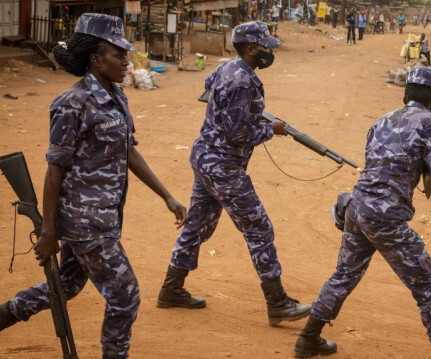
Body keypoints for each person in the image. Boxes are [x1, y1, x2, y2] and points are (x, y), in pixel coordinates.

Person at [0, 13, 187, 359]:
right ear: (96, 60)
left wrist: (167, 195)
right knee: (125, 295)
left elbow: (127, 150)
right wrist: (48, 232)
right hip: (84, 223)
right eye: (119, 55)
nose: (126, 61)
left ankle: (5, 315)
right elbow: (54, 169)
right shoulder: (72, 103)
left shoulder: (116, 95)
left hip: (104, 217)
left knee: (66, 286)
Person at [292, 67, 431, 359]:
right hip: (385, 217)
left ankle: (308, 338)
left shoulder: (381, 120)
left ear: (406, 94)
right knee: (428, 285)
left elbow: (375, 165)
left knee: (343, 276)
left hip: (356, 208)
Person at [156, 21, 311, 327]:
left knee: (198, 224)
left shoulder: (228, 69)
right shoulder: (242, 80)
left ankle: (171, 288)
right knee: (258, 227)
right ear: (252, 50)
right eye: (266, 47)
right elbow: (238, 132)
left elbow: (208, 87)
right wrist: (271, 128)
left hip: (205, 157)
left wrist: (241, 111)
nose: (270, 51)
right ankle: (277, 301)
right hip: (223, 164)